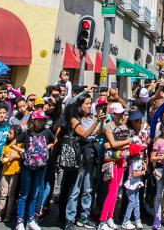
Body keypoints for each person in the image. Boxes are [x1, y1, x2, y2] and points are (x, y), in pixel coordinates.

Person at [65, 92, 102, 228]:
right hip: (79, 156)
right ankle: (70, 218)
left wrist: (101, 121)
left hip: (91, 155)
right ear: (79, 105)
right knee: (76, 189)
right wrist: (96, 122)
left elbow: (98, 133)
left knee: (88, 188)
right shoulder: (75, 119)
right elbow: (84, 134)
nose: (89, 106)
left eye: (90, 103)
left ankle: (84, 216)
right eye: (86, 103)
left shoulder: (92, 118)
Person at [16, 109, 56, 230]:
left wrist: (46, 147)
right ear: (34, 121)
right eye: (40, 120)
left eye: (44, 120)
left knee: (34, 193)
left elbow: (55, 140)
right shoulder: (27, 133)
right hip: (28, 167)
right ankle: (19, 221)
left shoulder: (47, 132)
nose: (42, 122)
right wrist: (24, 151)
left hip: (41, 166)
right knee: (24, 194)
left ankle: (30, 220)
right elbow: (13, 143)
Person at [98, 102, 132, 230]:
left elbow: (121, 145)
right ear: (113, 114)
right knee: (111, 190)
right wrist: (127, 142)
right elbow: (112, 144)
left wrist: (122, 144)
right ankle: (102, 221)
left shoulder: (123, 126)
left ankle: (110, 217)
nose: (121, 115)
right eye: (118, 113)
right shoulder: (108, 126)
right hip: (110, 161)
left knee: (115, 190)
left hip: (120, 160)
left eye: (122, 113)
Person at [122, 141, 147, 230]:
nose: (141, 152)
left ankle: (137, 219)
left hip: (135, 184)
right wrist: (142, 172)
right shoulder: (134, 162)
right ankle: (125, 221)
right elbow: (134, 174)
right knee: (132, 202)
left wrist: (144, 164)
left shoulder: (137, 160)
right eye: (140, 151)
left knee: (137, 202)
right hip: (131, 185)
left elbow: (143, 166)